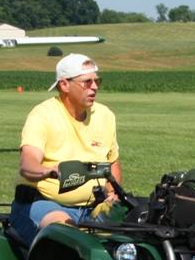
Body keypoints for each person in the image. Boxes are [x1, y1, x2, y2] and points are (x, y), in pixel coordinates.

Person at [9, 53, 122, 246]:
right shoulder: (43, 115)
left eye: (97, 81)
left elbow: (113, 163)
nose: (94, 87)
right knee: (66, 238)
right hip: (43, 204)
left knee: (135, 231)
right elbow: (27, 164)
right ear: (64, 85)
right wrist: (50, 171)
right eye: (87, 82)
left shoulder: (105, 115)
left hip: (92, 206)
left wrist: (113, 194)